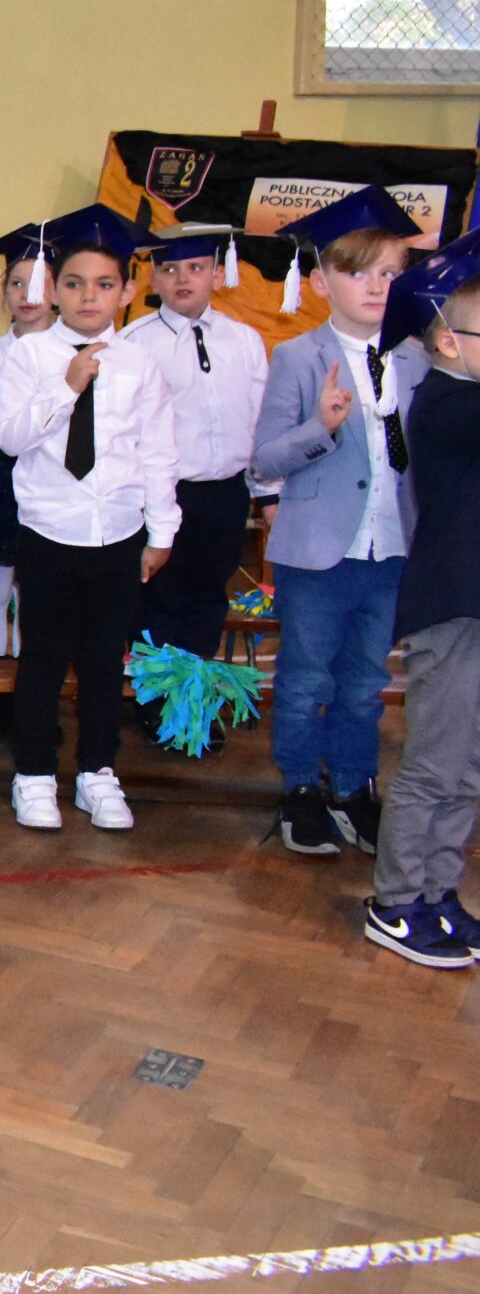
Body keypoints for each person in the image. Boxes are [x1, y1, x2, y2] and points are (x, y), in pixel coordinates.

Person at [0, 205, 178, 833]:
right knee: (43, 657)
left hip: (118, 532)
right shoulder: (30, 356)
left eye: (103, 284)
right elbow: (10, 437)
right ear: (52, 290)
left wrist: (161, 530)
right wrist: (67, 387)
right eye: (73, 284)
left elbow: (157, 450)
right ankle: (34, 773)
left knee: (103, 661)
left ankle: (98, 772)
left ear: (126, 291)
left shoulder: (140, 362)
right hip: (49, 530)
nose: (88, 297)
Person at [253, 189, 427, 857]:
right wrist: (320, 428)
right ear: (323, 281)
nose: (377, 286)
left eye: (390, 272)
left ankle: (355, 787)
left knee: (365, 683)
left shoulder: (417, 357)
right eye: (358, 272)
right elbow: (265, 458)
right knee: (305, 679)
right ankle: (301, 787)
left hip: (392, 550)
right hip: (318, 553)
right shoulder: (298, 357)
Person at [362, 240, 480, 968]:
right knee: (435, 764)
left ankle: (438, 891)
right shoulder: (445, 402)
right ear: (448, 341)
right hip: (452, 606)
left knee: (469, 768)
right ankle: (396, 902)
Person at [116, 227, 272, 741]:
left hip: (224, 491)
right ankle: (157, 702)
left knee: (207, 597)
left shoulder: (244, 340)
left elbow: (259, 418)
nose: (182, 278)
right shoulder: (136, 342)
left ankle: (193, 701)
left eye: (196, 268)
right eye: (169, 269)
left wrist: (265, 490)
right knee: (157, 599)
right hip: (161, 493)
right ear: (152, 279)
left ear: (218, 275)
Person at [0, 229, 58, 671]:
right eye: (17, 283)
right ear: (4, 292)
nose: (26, 294)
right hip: (1, 473)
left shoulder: (67, 349)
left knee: (35, 585)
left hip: (51, 473)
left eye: (38, 284)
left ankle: (27, 674)